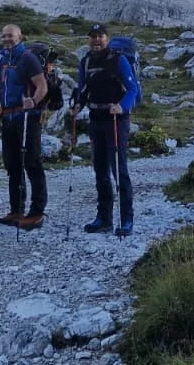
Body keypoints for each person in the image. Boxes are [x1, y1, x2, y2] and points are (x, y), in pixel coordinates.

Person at [69, 23, 141, 236]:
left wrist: (122, 106)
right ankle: (104, 218)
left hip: (116, 120)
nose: (96, 40)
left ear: (107, 38)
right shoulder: (86, 62)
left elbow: (132, 89)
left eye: (100, 36)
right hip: (96, 118)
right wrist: (77, 106)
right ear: (88, 39)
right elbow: (82, 89)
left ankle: (126, 218)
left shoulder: (118, 60)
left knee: (119, 170)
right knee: (100, 170)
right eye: (93, 36)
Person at [0, 23, 47, 229]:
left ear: (20, 36)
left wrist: (33, 101)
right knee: (12, 164)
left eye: (11, 35)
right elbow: (2, 88)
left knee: (32, 163)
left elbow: (42, 86)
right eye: (4, 35)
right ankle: (16, 209)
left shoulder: (28, 58)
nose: (7, 39)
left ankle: (36, 212)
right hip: (8, 117)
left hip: (27, 117)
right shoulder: (4, 60)